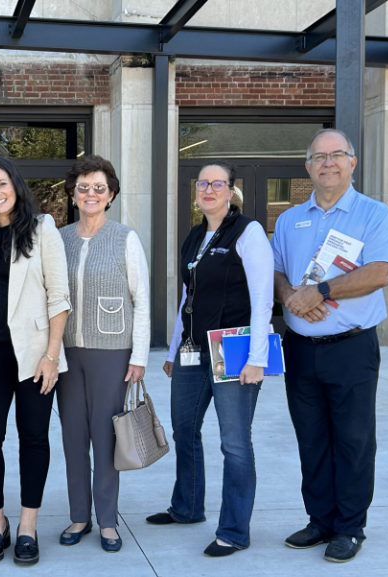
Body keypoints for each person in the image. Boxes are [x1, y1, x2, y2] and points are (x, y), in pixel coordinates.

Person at [273, 128, 388, 563]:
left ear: (352, 162)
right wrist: (292, 296)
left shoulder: (374, 214)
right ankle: (320, 520)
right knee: (311, 438)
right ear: (308, 167)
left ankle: (349, 526)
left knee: (353, 439)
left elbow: (381, 272)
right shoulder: (290, 219)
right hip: (300, 348)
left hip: (351, 348)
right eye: (319, 157)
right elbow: (276, 271)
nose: (328, 163)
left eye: (336, 155)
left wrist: (321, 291)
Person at [146, 162, 273, 558]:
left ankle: (234, 530)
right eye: (203, 183)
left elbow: (263, 297)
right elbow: (187, 298)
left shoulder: (248, 232)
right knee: (184, 430)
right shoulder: (195, 236)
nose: (209, 189)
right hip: (192, 349)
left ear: (231, 190)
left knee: (234, 443)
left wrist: (258, 358)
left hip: (232, 347)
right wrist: (171, 350)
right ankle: (187, 507)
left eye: (218, 183)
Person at [0, 155, 70, 565]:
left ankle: (27, 526)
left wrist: (52, 356)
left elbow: (59, 298)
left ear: (16, 186)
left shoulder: (42, 230)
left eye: (1, 184)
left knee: (33, 438)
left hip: (35, 355)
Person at [56, 155, 150, 553]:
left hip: (112, 353)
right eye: (83, 187)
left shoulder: (125, 237)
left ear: (110, 195)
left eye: (99, 187)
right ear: (73, 194)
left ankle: (108, 521)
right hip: (65, 354)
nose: (91, 194)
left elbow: (142, 300)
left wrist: (139, 356)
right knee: (73, 438)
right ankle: (80, 515)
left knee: (105, 439)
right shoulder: (59, 239)